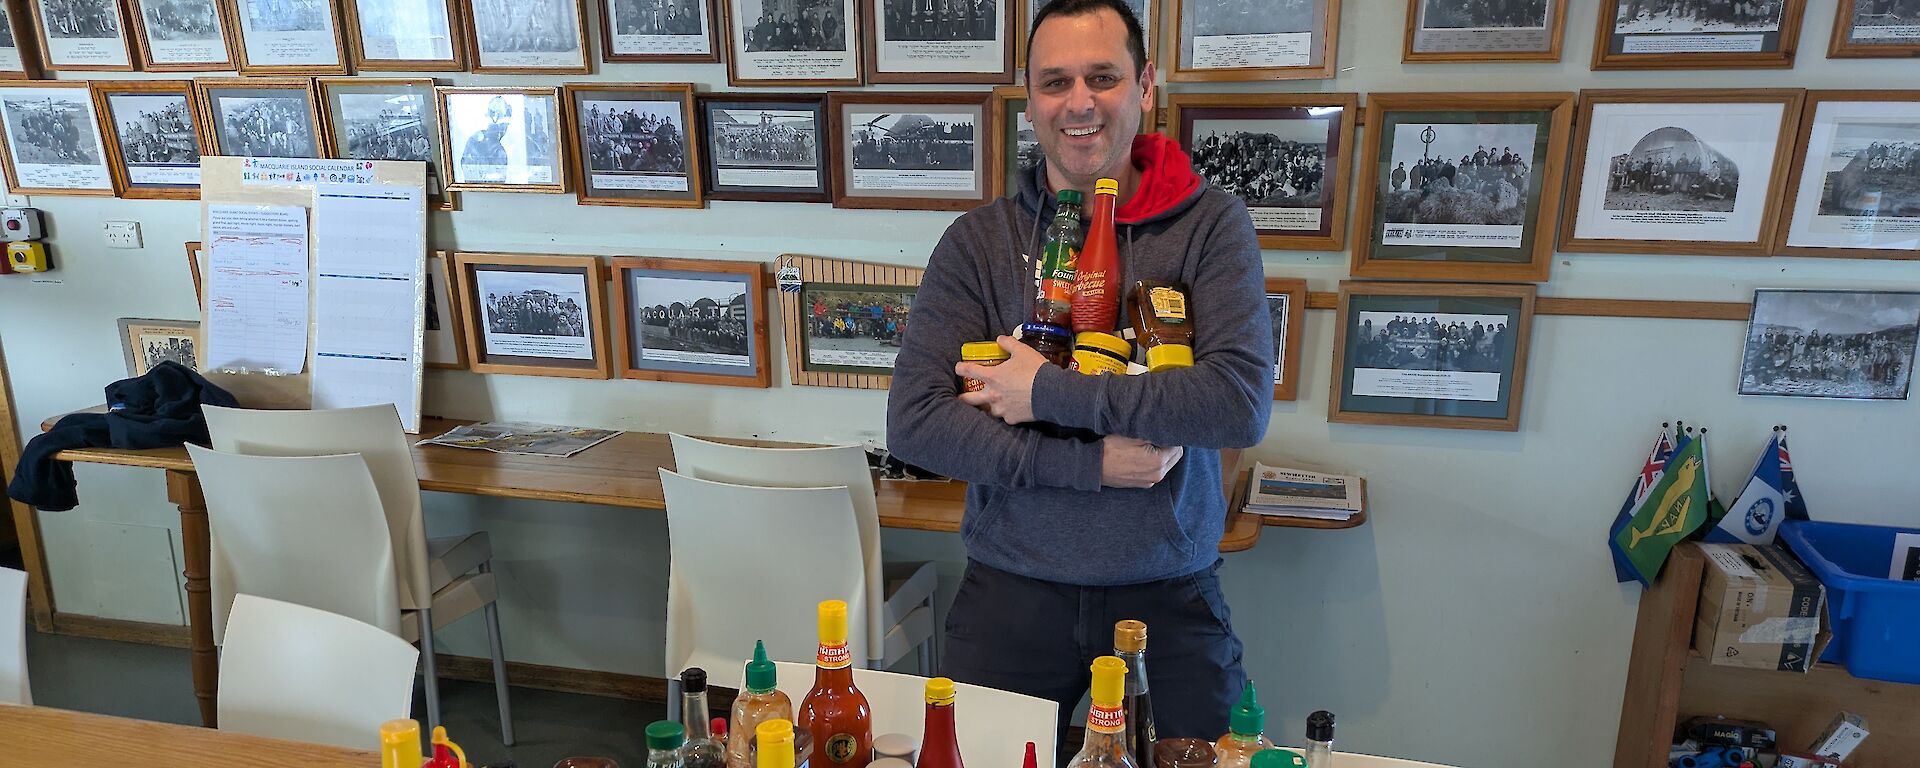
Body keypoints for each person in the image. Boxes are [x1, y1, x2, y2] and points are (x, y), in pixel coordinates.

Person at [884, 0, 1271, 746]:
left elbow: (1236, 403)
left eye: (1103, 77)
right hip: (1012, 590)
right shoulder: (979, 243)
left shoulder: (1212, 228)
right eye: (1055, 81)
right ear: (1029, 97)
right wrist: (1091, 464)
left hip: (1167, 593)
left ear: (1145, 84)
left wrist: (1044, 393)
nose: (1080, 102)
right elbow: (916, 420)